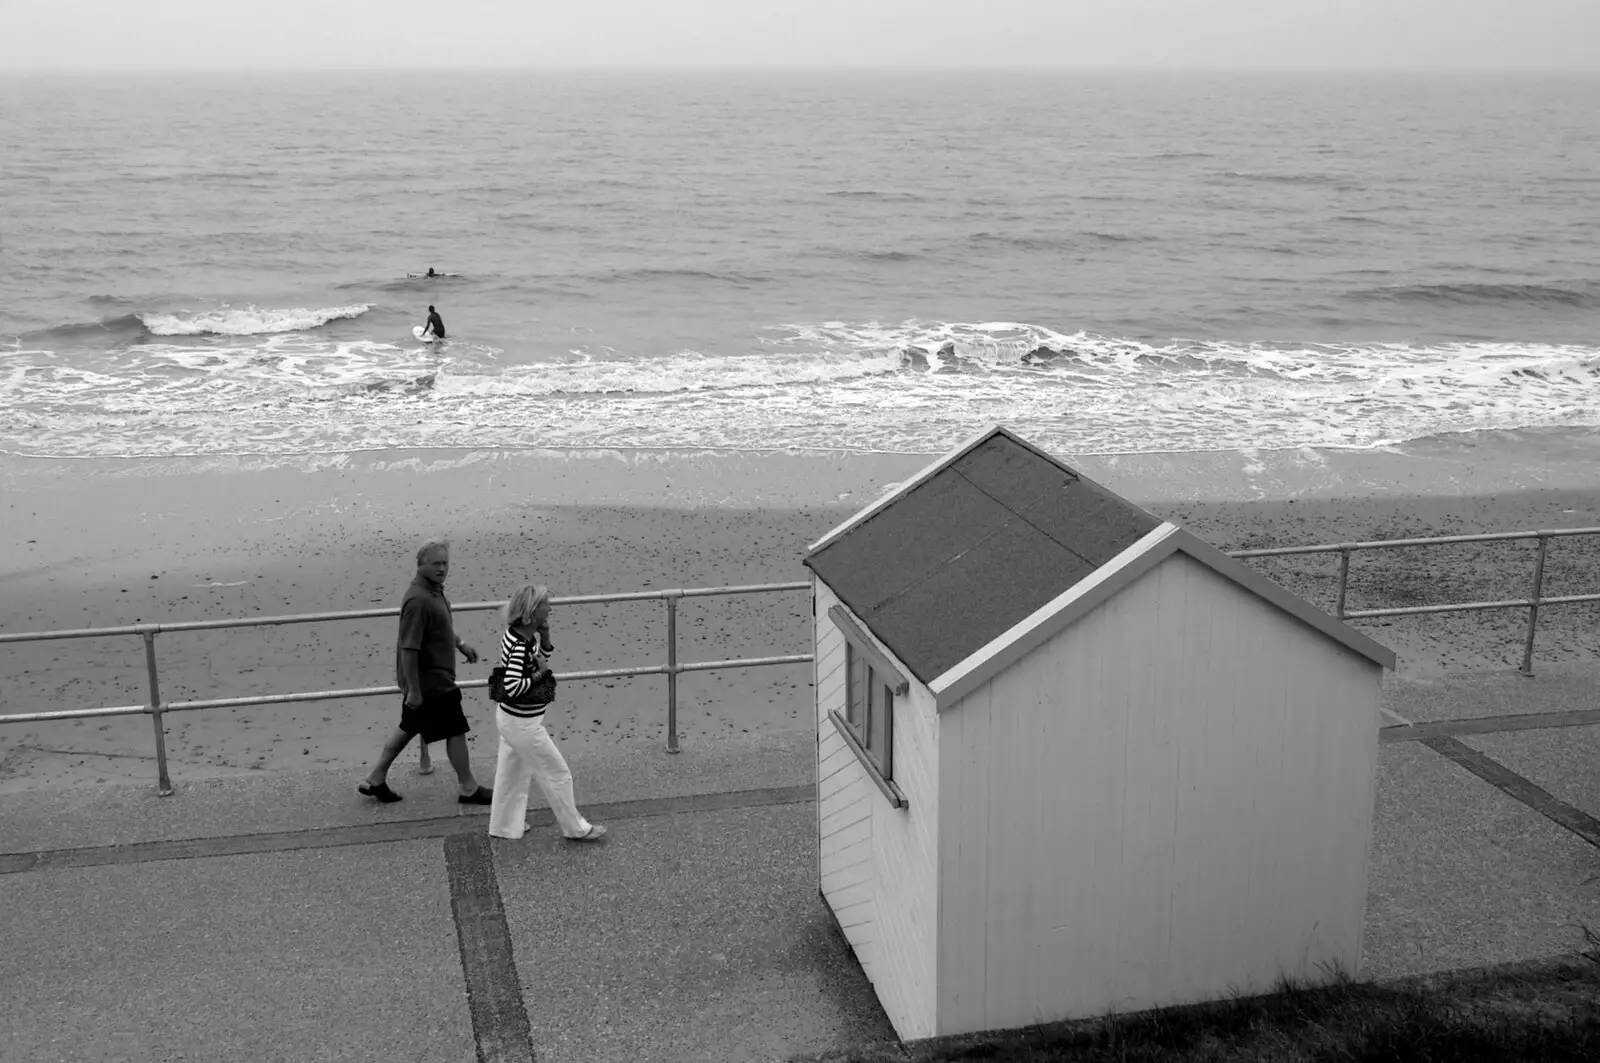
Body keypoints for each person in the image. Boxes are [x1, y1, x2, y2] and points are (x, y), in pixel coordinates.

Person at [359, 539, 492, 805]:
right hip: (431, 682)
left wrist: (461, 644)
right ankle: (468, 787)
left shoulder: (434, 591)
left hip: (432, 679)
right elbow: (408, 648)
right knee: (456, 729)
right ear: (421, 565)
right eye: (436, 563)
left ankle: (375, 779)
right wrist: (415, 690)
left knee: (409, 726)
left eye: (445, 563)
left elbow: (440, 627)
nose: (442, 568)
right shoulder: (418, 600)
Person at [487, 584, 606, 841]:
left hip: (510, 718)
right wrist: (542, 674)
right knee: (557, 773)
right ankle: (576, 828)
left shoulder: (518, 635)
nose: (550, 608)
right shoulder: (520, 645)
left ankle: (505, 826)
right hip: (522, 723)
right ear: (532, 611)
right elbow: (514, 685)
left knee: (511, 774)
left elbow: (534, 660)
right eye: (545, 605)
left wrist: (546, 639)